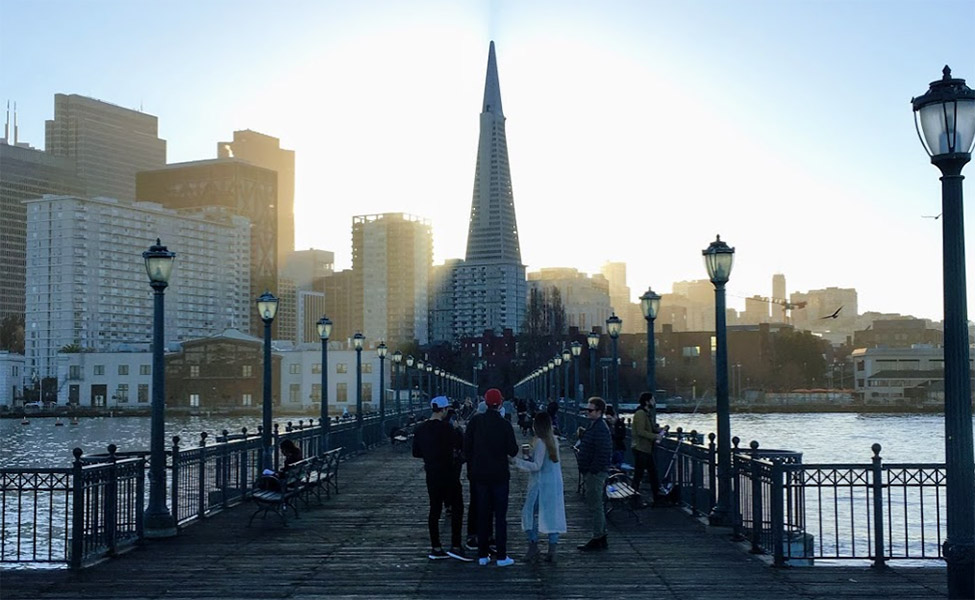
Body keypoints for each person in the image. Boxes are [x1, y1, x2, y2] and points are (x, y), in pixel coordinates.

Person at [412, 396, 472, 562]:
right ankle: (455, 545)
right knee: (457, 507)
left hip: (431, 473)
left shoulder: (420, 428)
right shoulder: (448, 428)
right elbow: (461, 445)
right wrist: (458, 429)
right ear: (444, 410)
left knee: (435, 509)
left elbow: (416, 452)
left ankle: (436, 547)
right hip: (449, 472)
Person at [464, 388, 519, 567]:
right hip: (500, 476)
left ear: (485, 403)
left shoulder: (475, 421)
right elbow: (513, 450)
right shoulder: (505, 424)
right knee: (500, 517)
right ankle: (502, 556)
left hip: (479, 475)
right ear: (500, 403)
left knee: (482, 514)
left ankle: (482, 555)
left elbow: (467, 447)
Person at [513, 412, 566, 564]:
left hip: (541, 485)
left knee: (528, 513)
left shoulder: (541, 443)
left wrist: (517, 462)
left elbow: (537, 466)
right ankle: (552, 550)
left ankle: (533, 545)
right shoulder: (554, 440)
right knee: (552, 515)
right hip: (554, 484)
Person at [576, 397, 612, 551]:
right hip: (592, 471)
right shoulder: (595, 426)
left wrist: (592, 470)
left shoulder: (600, 428)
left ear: (599, 412)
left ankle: (598, 537)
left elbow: (603, 452)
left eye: (590, 410)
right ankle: (601, 536)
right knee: (596, 505)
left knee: (596, 506)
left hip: (595, 474)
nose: (587, 412)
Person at [631, 391, 665, 507]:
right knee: (639, 475)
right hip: (641, 449)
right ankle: (633, 499)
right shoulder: (641, 414)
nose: (654, 402)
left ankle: (657, 498)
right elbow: (640, 431)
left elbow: (648, 428)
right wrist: (656, 436)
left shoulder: (646, 413)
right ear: (647, 401)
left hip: (646, 449)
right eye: (653, 400)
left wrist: (659, 430)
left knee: (653, 474)